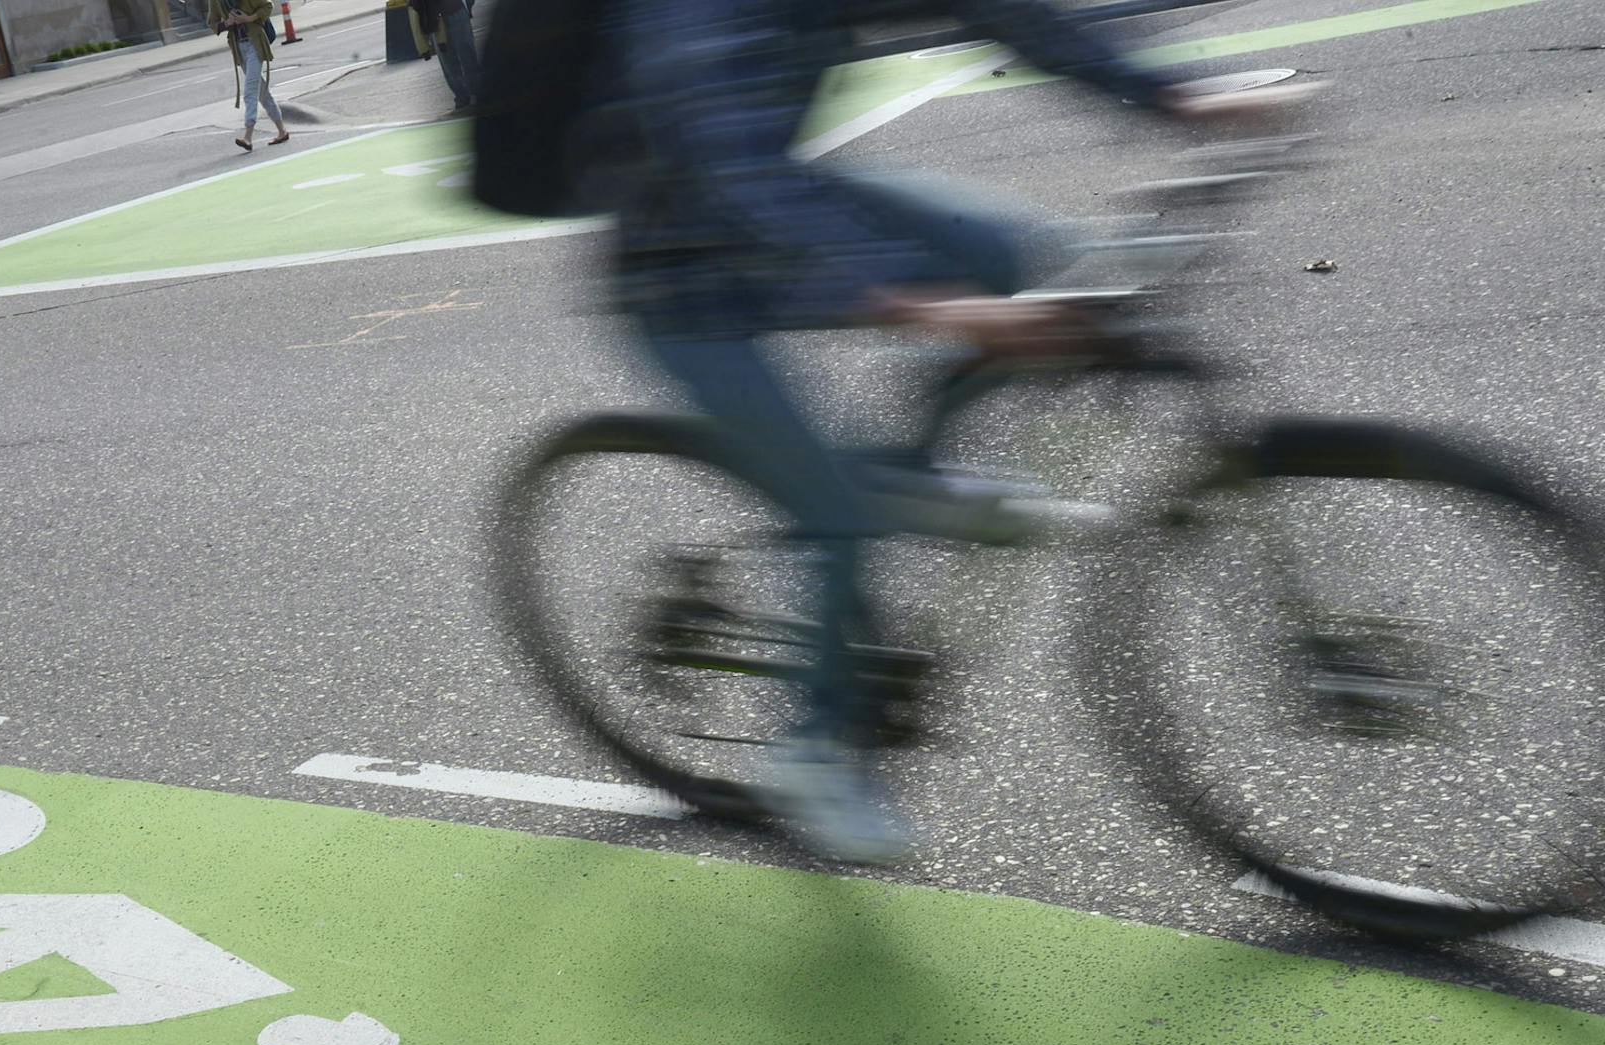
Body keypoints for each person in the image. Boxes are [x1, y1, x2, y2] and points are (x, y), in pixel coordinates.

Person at [607, 0, 1299, 863]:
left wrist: (1175, 96)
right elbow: (732, 170)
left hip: (782, 205)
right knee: (839, 510)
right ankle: (815, 749)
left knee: (1054, 277)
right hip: (679, 277)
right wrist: (925, 304)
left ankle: (909, 475)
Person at [208, 0, 288, 150]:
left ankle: (248, 136)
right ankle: (282, 131)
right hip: (239, 47)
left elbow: (268, 5)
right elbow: (212, 24)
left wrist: (249, 18)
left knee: (250, 90)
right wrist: (228, 23)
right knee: (262, 92)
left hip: (255, 44)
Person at [410, 0, 481, 113]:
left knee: (449, 63)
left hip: (437, 19)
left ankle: (463, 96)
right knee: (466, 56)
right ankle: (475, 93)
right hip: (453, 11)